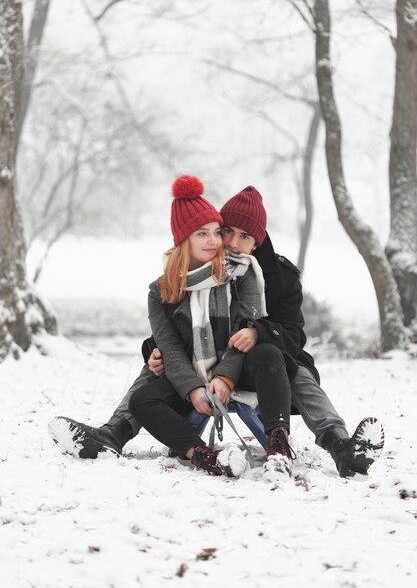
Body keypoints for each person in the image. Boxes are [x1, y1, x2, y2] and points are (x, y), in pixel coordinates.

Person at [49, 185, 384, 478]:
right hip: (201, 361)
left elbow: (293, 335)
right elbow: (177, 329)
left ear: (258, 241)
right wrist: (155, 349)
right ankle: (113, 434)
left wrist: (258, 332)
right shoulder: (204, 270)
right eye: (226, 232)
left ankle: (339, 445)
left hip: (265, 364)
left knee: (291, 367)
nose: (232, 243)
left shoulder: (271, 276)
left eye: (245, 236)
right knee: (157, 362)